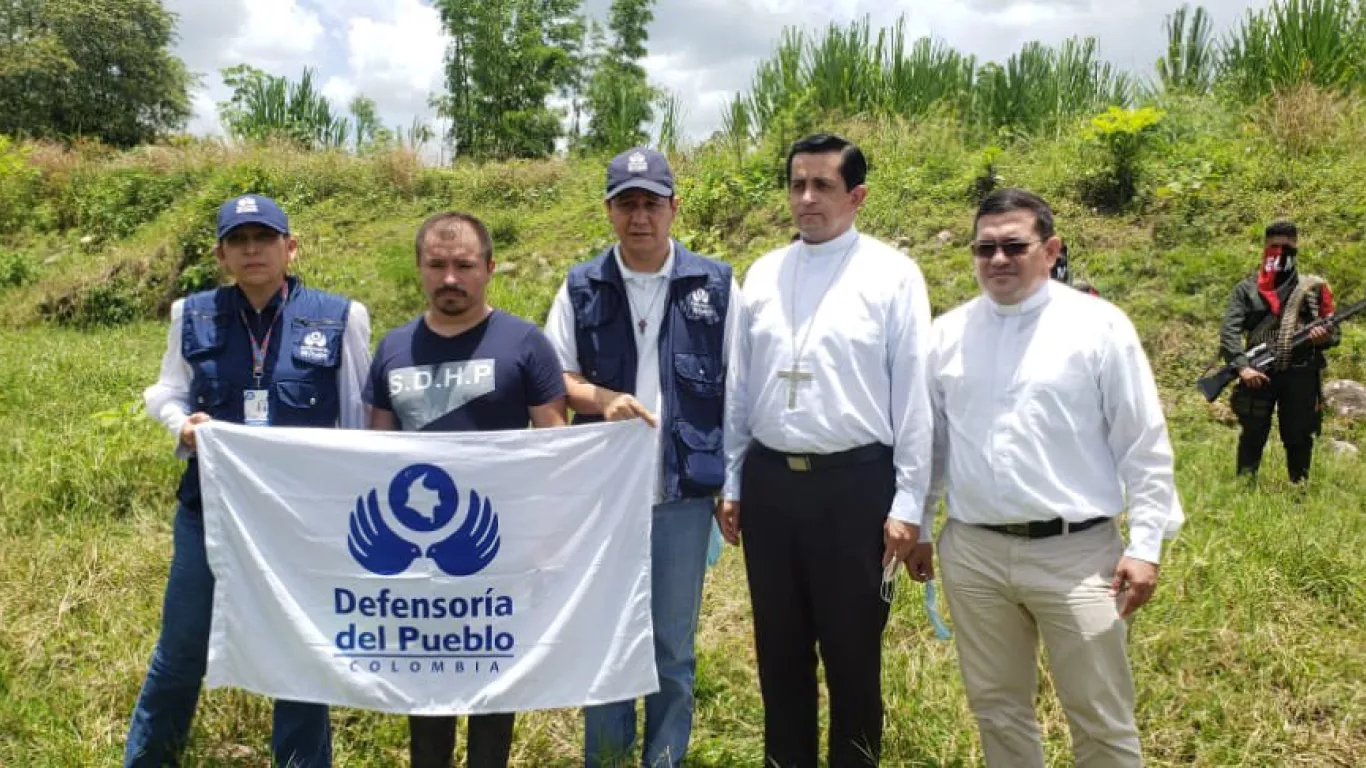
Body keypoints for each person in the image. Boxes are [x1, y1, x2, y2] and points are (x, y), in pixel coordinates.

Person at [923, 188, 1184, 768]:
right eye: (984, 247)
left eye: (1014, 246)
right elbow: (932, 448)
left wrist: (1146, 547)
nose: (997, 260)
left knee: (1100, 717)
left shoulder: (1098, 327)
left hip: (1078, 556)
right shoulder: (946, 335)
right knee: (997, 709)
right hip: (975, 555)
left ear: (1051, 249)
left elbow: (1143, 442)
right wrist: (918, 524)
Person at [128, 194, 372, 767]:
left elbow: (357, 421)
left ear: (291, 247)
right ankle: (148, 759)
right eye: (238, 241)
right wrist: (180, 424)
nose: (252, 249)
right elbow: (166, 392)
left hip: (299, 520)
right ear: (221, 255)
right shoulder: (192, 314)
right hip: (208, 510)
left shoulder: (341, 316)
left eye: (264, 238)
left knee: (299, 649)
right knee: (183, 645)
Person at [716, 133, 934, 768]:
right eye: (796, 184)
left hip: (856, 489)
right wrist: (733, 479)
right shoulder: (762, 273)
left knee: (853, 655)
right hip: (773, 486)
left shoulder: (892, 274)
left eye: (823, 186)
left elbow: (915, 396)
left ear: (857, 196)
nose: (806, 198)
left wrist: (910, 502)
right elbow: (740, 386)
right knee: (779, 652)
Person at [543, 147, 740, 768]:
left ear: (674, 208)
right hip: (604, 494)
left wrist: (731, 485)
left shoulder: (717, 284)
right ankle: (605, 756)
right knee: (606, 633)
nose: (639, 216)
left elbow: (738, 388)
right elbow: (555, 378)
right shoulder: (580, 286)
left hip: (683, 492)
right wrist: (601, 399)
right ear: (608, 211)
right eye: (626, 203)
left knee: (671, 643)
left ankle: (664, 757)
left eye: (651, 203)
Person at [366, 211, 568, 768]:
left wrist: (549, 542)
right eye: (437, 265)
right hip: (416, 555)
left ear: (490, 269)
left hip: (498, 552)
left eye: (463, 265)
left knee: (491, 694)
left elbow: (556, 448)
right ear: (420, 269)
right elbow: (373, 453)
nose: (449, 278)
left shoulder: (526, 343)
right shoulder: (392, 347)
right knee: (424, 697)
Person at [1220, 219, 1337, 482]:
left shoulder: (1313, 289)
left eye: (1287, 246)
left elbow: (1334, 332)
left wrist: (1322, 339)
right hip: (1259, 371)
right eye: (1275, 246)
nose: (1281, 252)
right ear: (1265, 246)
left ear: (1297, 247)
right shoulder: (1247, 289)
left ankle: (1299, 490)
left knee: (1299, 435)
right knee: (1253, 432)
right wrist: (1242, 366)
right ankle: (1244, 487)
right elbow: (1229, 331)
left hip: (1301, 373)